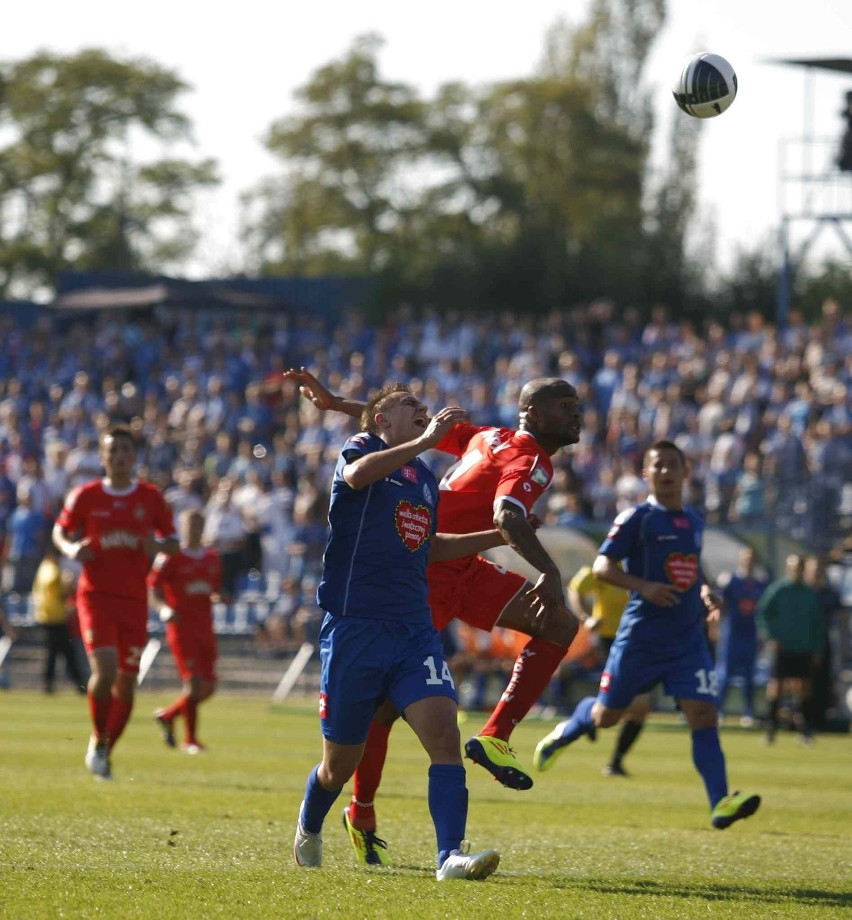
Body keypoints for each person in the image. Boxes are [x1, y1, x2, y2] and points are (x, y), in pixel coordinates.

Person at [285, 367, 581, 865]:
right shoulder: (520, 456)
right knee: (367, 728)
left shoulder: (447, 462)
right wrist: (544, 567)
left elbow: (433, 534)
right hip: (386, 602)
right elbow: (383, 445)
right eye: (565, 406)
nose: (577, 414)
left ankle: (455, 836)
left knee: (446, 728)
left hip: (446, 581)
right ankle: (354, 809)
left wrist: (338, 402)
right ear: (532, 412)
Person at [293, 383, 502, 880]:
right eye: (409, 403)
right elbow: (358, 475)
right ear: (381, 418)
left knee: (444, 736)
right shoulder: (363, 449)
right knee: (338, 766)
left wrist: (499, 535)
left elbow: (429, 547)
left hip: (412, 631)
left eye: (421, 405)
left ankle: (448, 855)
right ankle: (310, 823)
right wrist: (426, 439)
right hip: (355, 630)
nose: (422, 408)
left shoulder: (424, 479)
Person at [533, 441, 761, 830]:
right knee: (608, 717)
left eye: (674, 465)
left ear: (686, 472)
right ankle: (571, 726)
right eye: (659, 466)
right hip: (641, 638)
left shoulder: (693, 520)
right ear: (647, 474)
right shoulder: (635, 519)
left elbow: (692, 565)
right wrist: (645, 586)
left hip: (687, 639)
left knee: (704, 715)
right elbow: (603, 567)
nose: (667, 472)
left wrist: (704, 590)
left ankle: (720, 802)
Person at [52, 426, 178, 780]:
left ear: (133, 456)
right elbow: (60, 531)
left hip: (134, 600)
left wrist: (160, 546)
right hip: (95, 596)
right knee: (105, 670)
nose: (120, 456)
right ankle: (98, 734)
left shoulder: (150, 497)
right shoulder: (86, 495)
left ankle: (103, 745)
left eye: (126, 449)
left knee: (126, 683)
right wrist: (71, 548)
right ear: (103, 457)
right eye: (113, 450)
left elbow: (173, 540)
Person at [564, 562, 649, 777]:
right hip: (611, 639)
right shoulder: (605, 566)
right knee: (636, 703)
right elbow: (576, 589)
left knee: (638, 707)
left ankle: (614, 759)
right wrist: (586, 618)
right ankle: (587, 718)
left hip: (640, 640)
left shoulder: (645, 565)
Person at [149, 508, 223, 754]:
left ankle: (169, 715)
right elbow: (153, 590)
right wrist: (163, 609)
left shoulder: (212, 557)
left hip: (205, 627)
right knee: (193, 685)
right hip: (182, 628)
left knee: (209, 687)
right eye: (190, 525)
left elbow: (213, 588)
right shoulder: (170, 557)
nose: (194, 530)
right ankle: (190, 740)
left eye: (198, 526)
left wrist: (219, 596)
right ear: (182, 528)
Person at [757, 554, 825, 745]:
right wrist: (770, 637)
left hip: (803, 646)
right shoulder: (778, 590)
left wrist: (817, 648)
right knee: (776, 686)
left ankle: (804, 730)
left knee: (803, 688)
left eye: (800, 568)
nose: (797, 571)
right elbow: (763, 614)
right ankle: (771, 729)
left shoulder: (810, 594)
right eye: (794, 568)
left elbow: (818, 624)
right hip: (783, 646)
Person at [714, 547, 767, 728]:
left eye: (752, 558)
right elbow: (720, 604)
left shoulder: (761, 584)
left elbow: (763, 611)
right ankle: (719, 710)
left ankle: (748, 713)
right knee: (725, 673)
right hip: (732, 633)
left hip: (751, 634)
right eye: (746, 558)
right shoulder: (731, 581)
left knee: (749, 675)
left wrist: (763, 635)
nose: (749, 562)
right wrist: (716, 626)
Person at [31, 542, 86, 694]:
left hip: (47, 615)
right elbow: (60, 594)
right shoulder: (53, 572)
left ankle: (51, 683)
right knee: (66, 652)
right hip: (55, 616)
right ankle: (78, 683)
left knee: (54, 652)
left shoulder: (44, 568)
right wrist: (68, 585)